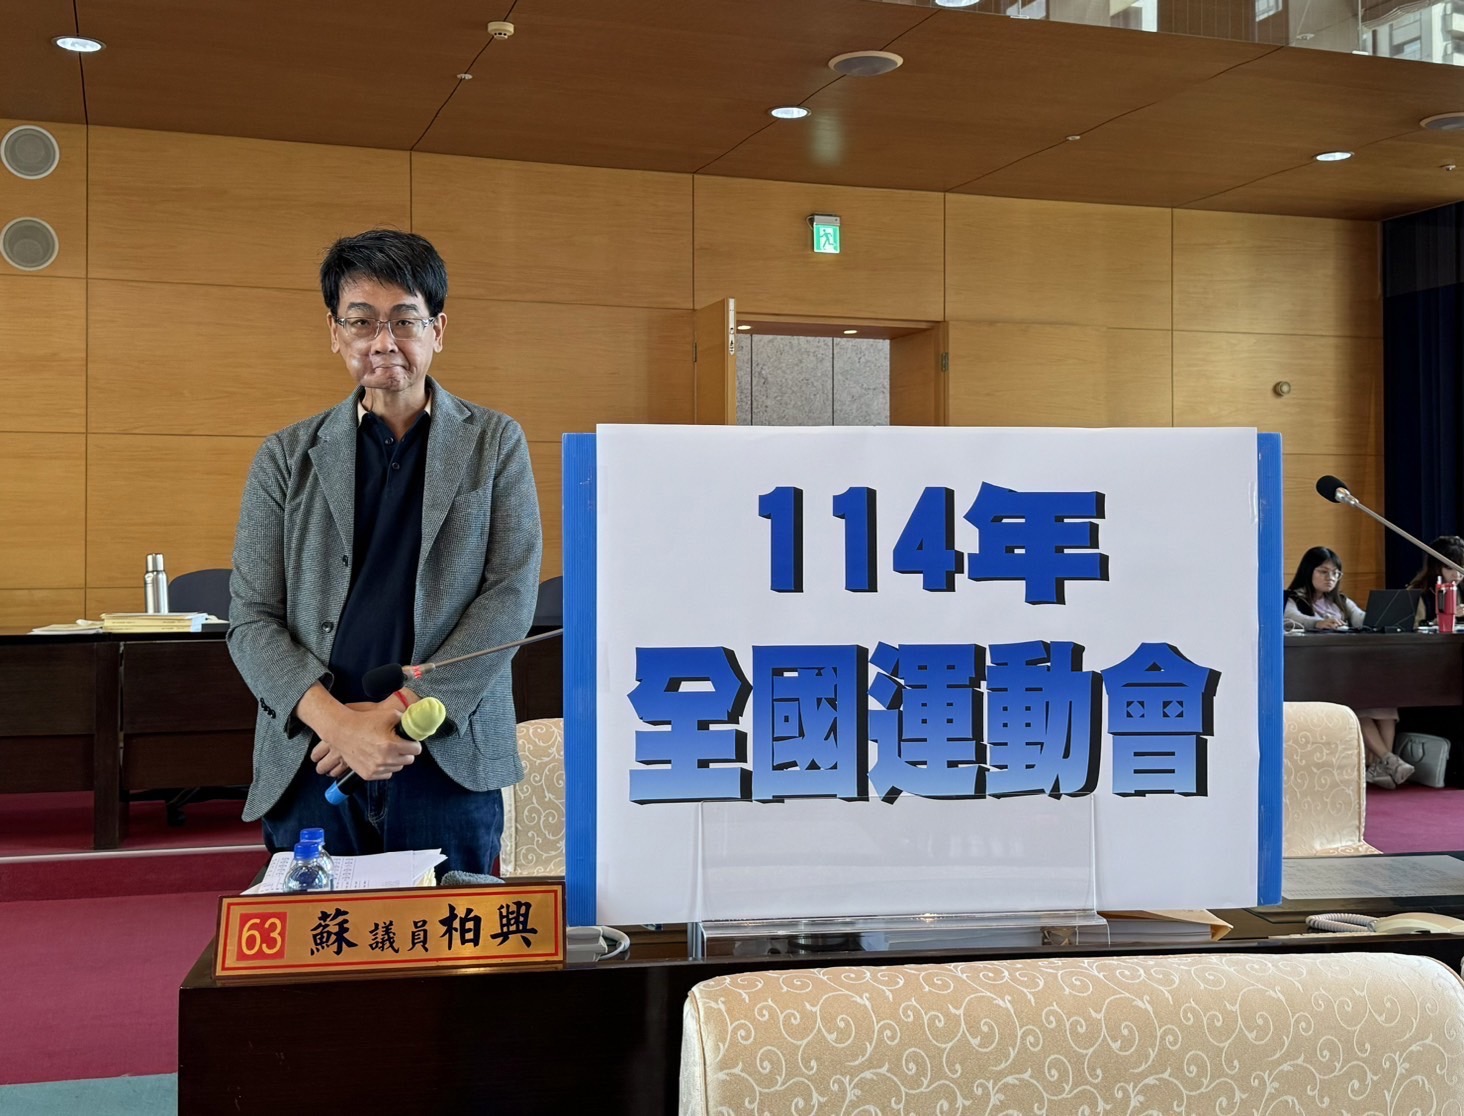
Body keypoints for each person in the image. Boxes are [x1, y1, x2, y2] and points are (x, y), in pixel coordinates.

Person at [228, 229, 542, 874]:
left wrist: (401, 714)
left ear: (437, 329)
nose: (384, 341)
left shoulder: (494, 443)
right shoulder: (285, 456)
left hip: (445, 754)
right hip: (315, 754)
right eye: (362, 321)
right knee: (322, 936)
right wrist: (340, 726)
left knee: (451, 932)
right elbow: (251, 619)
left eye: (404, 319)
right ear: (335, 332)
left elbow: (508, 599)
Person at [1283, 546, 1413, 788]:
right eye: (1323, 572)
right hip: (1318, 673)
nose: (1330, 578)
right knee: (1358, 702)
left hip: (1350, 668)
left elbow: (1363, 619)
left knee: (1386, 701)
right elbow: (1291, 618)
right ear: (1308, 571)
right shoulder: (1293, 598)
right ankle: (1389, 761)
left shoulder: (1341, 601)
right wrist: (1318, 623)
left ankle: (1382, 765)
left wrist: (1387, 617)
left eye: (1335, 573)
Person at [1405, 534, 1464, 626]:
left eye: (1461, 568)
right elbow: (1407, 627)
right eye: (1449, 568)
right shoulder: (1416, 592)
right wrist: (1433, 623)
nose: (1457, 575)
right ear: (1435, 567)